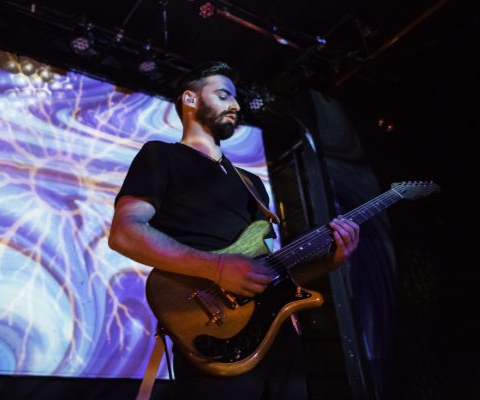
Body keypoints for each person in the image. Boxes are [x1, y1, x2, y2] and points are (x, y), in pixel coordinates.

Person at [108, 61, 360, 400]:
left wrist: (330, 262)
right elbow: (125, 232)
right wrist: (216, 267)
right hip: (216, 331)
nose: (236, 106)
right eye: (224, 94)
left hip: (279, 340)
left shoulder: (252, 182)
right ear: (190, 99)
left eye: (237, 98)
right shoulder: (161, 156)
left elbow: (271, 273)